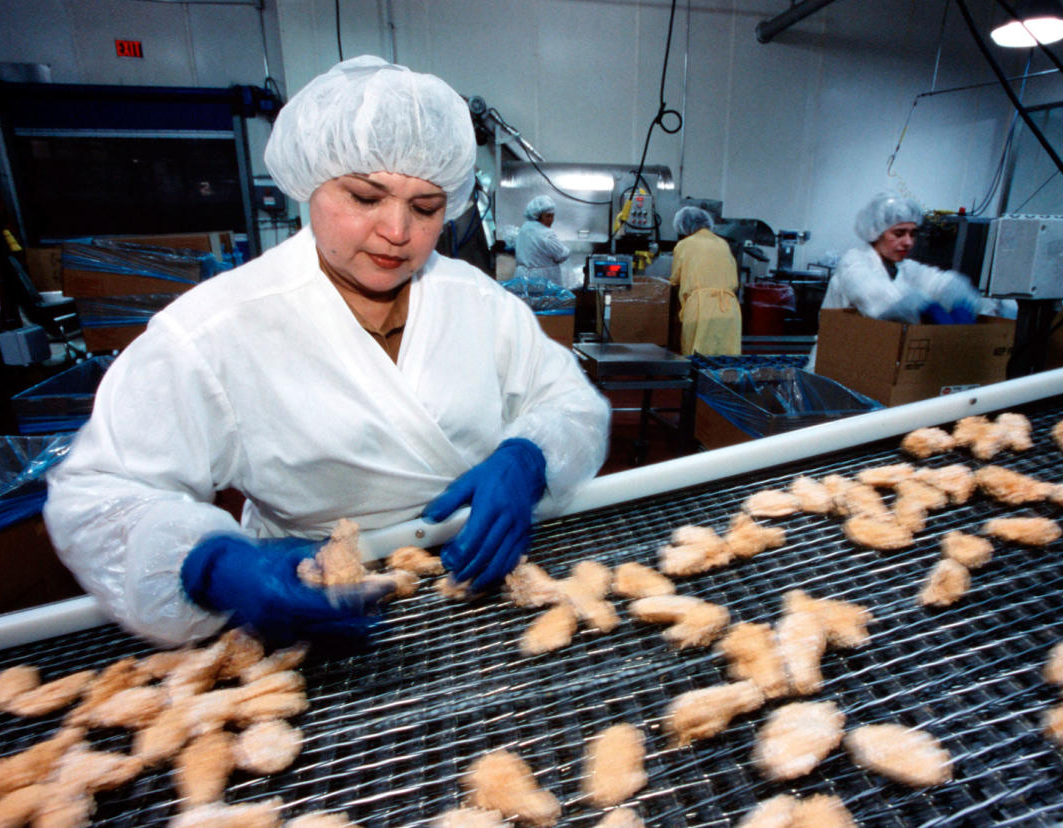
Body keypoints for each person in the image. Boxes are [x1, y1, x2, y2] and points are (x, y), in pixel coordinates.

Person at [43, 56, 610, 647]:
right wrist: (209, 564)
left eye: (426, 207)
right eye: (366, 197)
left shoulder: (481, 305)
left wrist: (529, 455)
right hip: (306, 600)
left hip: (475, 583)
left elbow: (572, 406)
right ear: (309, 183)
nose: (398, 231)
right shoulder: (216, 331)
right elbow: (100, 497)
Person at [822, 192, 980, 324]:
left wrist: (962, 303)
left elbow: (944, 284)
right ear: (875, 232)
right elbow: (876, 296)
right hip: (838, 357)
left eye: (913, 234)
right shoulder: (854, 263)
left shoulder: (906, 268)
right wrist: (925, 307)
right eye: (899, 233)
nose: (908, 242)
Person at [669, 206, 741, 355]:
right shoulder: (722, 243)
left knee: (697, 359)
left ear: (684, 226)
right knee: (725, 362)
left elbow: (675, 279)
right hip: (729, 309)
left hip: (701, 309)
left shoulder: (684, 245)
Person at [513, 195, 571, 286]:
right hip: (541, 281)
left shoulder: (524, 228)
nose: (551, 220)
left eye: (552, 216)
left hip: (522, 279)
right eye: (548, 216)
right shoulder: (546, 234)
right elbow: (562, 254)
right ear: (538, 215)